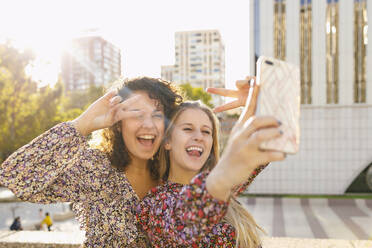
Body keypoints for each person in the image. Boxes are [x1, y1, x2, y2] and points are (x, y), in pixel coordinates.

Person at [0, 77, 182, 247]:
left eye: (157, 115)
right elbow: (16, 177)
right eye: (137, 114)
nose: (148, 124)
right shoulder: (95, 168)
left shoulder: (176, 173)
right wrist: (83, 123)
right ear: (118, 124)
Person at [137, 84, 285, 248]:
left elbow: (274, 138)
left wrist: (260, 105)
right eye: (188, 129)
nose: (199, 137)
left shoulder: (224, 185)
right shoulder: (153, 205)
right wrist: (224, 175)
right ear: (167, 141)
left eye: (206, 132)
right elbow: (185, 225)